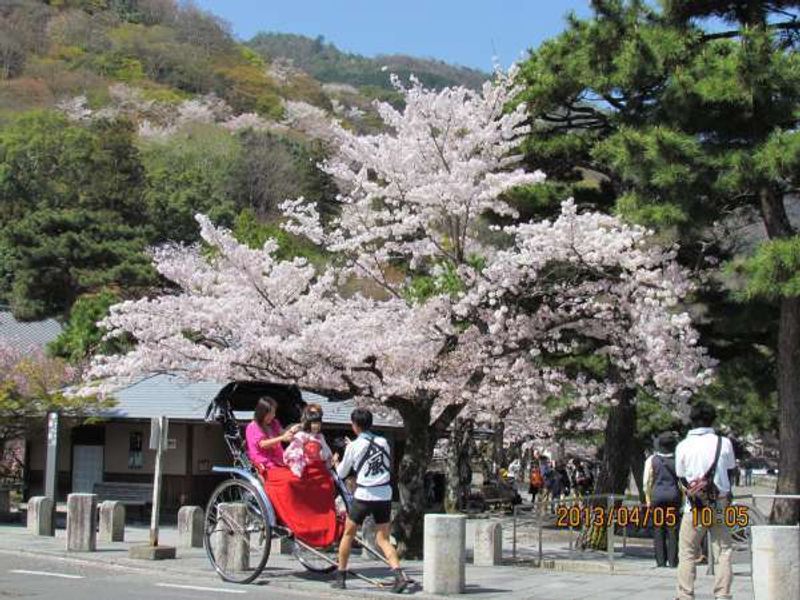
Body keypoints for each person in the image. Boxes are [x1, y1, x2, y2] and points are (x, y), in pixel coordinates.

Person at [331, 408, 409, 593]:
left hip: (364, 496)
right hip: (384, 494)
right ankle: (398, 575)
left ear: (355, 425)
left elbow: (342, 473)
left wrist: (336, 462)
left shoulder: (353, 446)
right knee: (382, 538)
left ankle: (341, 576)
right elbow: (371, 452)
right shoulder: (383, 442)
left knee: (348, 535)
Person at [675, 402, 736, 600]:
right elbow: (730, 469)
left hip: (694, 506)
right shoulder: (724, 443)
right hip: (719, 502)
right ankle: (722, 595)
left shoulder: (683, 445)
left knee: (687, 552)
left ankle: (685, 595)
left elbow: (681, 475)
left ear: (692, 420)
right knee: (723, 551)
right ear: (713, 419)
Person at [643, 431, 681, 568]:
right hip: (673, 496)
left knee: (658, 528)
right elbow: (681, 482)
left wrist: (648, 499)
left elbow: (646, 482)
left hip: (657, 497)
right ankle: (673, 560)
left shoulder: (652, 460)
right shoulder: (677, 460)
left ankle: (660, 561)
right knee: (673, 529)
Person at [245, 396, 300, 474]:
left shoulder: (274, 423)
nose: (273, 415)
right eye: (271, 413)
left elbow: (283, 433)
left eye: (274, 413)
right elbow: (263, 444)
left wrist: (292, 430)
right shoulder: (252, 427)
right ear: (263, 413)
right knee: (289, 478)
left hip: (279, 460)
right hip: (264, 463)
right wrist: (281, 438)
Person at [283, 403, 333, 478]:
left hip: (317, 466)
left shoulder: (320, 437)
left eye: (318, 423)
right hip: (305, 466)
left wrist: (326, 456)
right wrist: (302, 451)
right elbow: (291, 450)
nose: (317, 426)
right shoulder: (300, 433)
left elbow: (326, 451)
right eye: (314, 423)